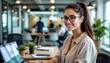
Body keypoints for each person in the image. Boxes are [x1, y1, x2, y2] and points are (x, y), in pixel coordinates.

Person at [32, 2, 98, 63]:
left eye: (72, 17)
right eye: (65, 18)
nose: (68, 22)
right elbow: (58, 57)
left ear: (81, 19)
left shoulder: (86, 43)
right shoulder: (69, 39)